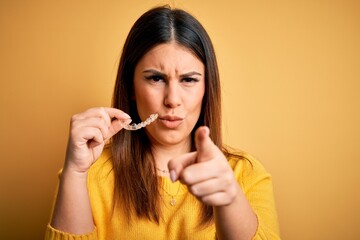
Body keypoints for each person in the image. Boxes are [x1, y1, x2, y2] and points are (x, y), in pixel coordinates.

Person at [45, 5, 280, 240]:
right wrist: (75, 173)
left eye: (188, 79)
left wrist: (229, 198)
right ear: (131, 87)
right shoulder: (87, 175)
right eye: (156, 78)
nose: (172, 100)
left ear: (207, 89)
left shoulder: (246, 175)